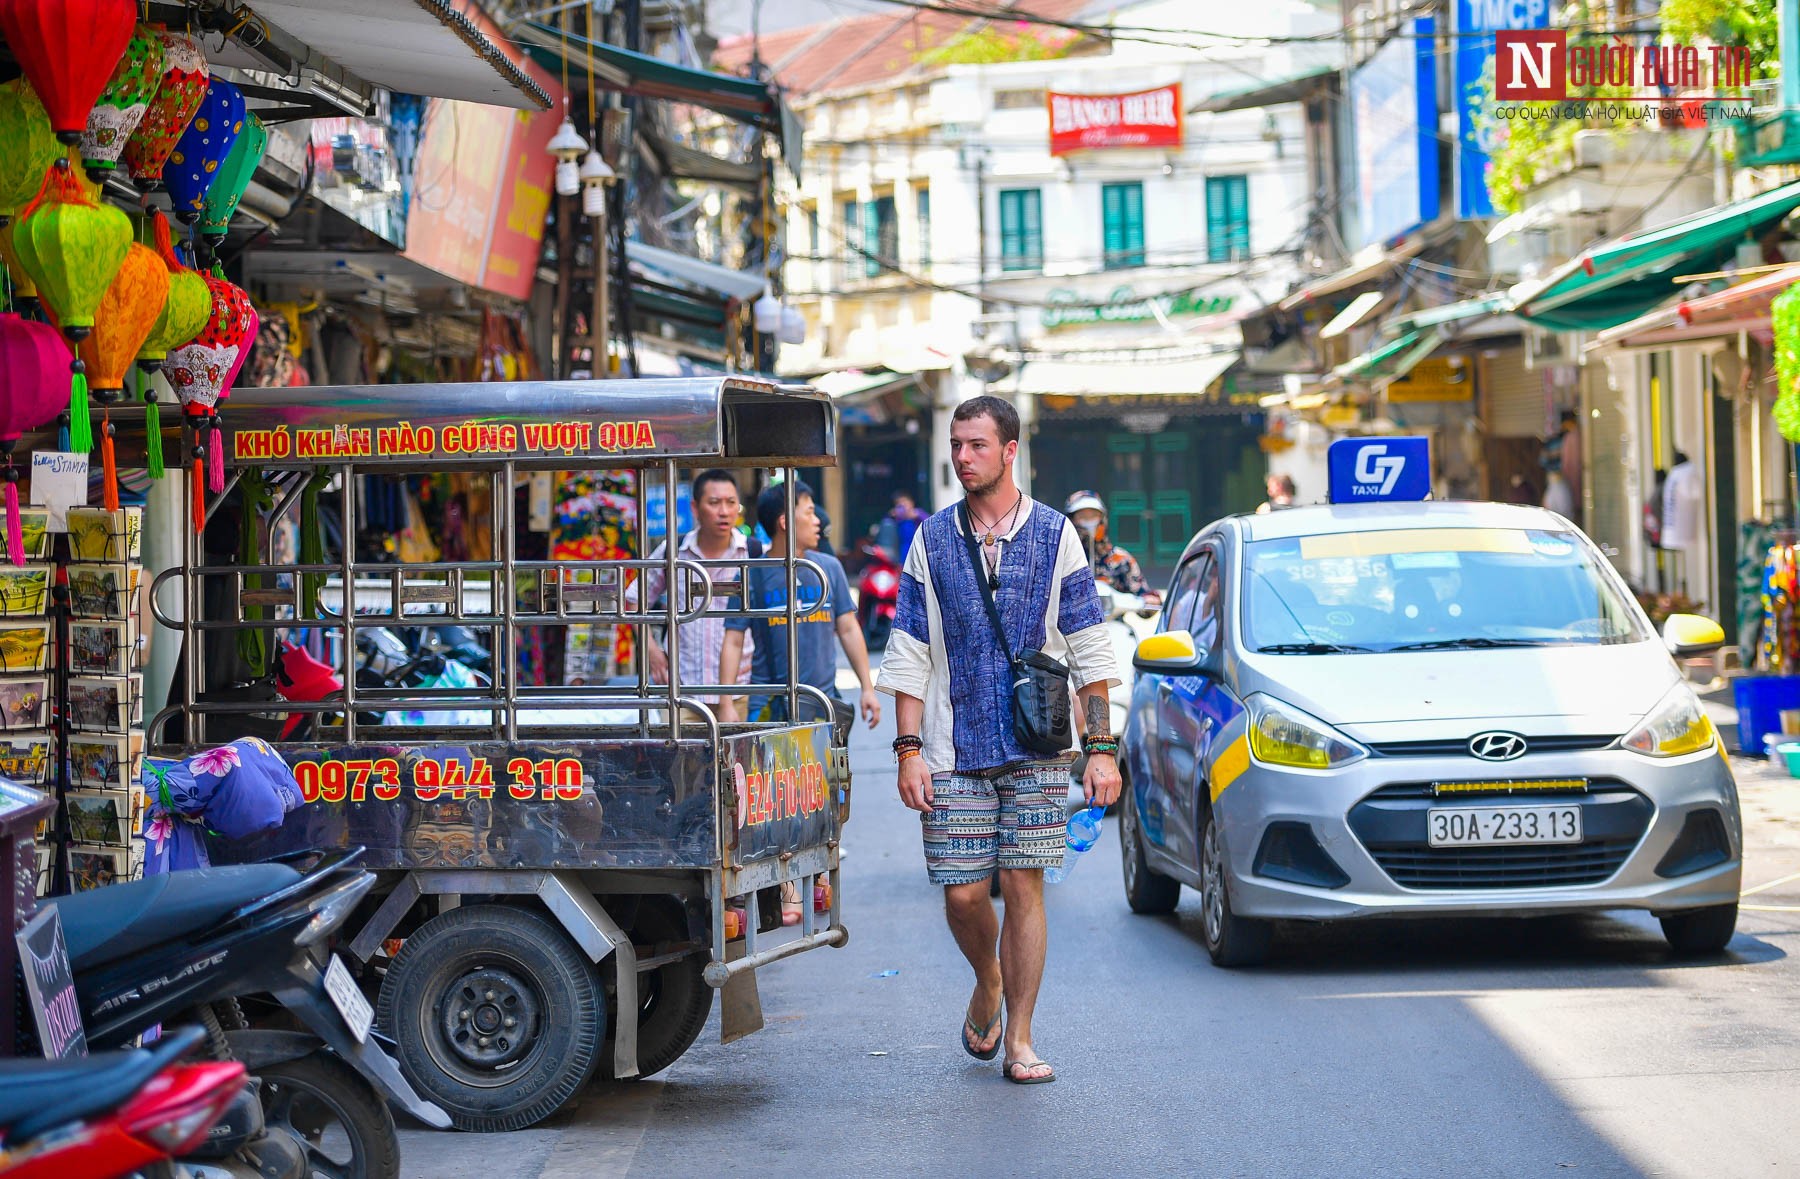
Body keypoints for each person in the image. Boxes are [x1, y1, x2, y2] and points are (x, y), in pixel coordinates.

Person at [877, 395, 1121, 1086]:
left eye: (976, 445)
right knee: (961, 895)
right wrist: (907, 749)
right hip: (952, 745)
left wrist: (1100, 745)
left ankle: (1020, 1035)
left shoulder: (1055, 534)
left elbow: (1089, 643)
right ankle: (988, 978)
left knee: (1023, 885)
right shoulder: (930, 539)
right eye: (956, 444)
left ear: (1010, 449)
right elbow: (910, 649)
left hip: (1038, 744)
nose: (962, 457)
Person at [718, 480, 880, 730]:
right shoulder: (751, 574)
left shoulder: (829, 567)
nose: (818, 521)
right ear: (785, 522)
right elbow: (733, 640)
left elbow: (848, 629)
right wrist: (726, 702)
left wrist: (867, 688)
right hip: (768, 707)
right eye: (810, 512)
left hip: (822, 704)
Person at [630, 469, 753, 704]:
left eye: (731, 503)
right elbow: (634, 599)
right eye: (714, 503)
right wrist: (653, 653)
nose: (724, 512)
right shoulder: (673, 551)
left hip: (742, 691)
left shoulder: (753, 553)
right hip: (680, 693)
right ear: (695, 508)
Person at [1062, 489, 1159, 604]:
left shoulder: (1120, 559)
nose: (1089, 521)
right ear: (1071, 520)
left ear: (1103, 519)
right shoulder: (1060, 558)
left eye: (1093, 515)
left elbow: (1142, 597)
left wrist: (1149, 600)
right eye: (1082, 516)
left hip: (1112, 621)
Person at [888, 491, 928, 561]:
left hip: (918, 547)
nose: (902, 505)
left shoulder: (918, 513)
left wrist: (916, 516)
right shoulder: (897, 517)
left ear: (911, 503)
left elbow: (929, 522)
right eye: (898, 503)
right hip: (902, 549)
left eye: (904, 502)